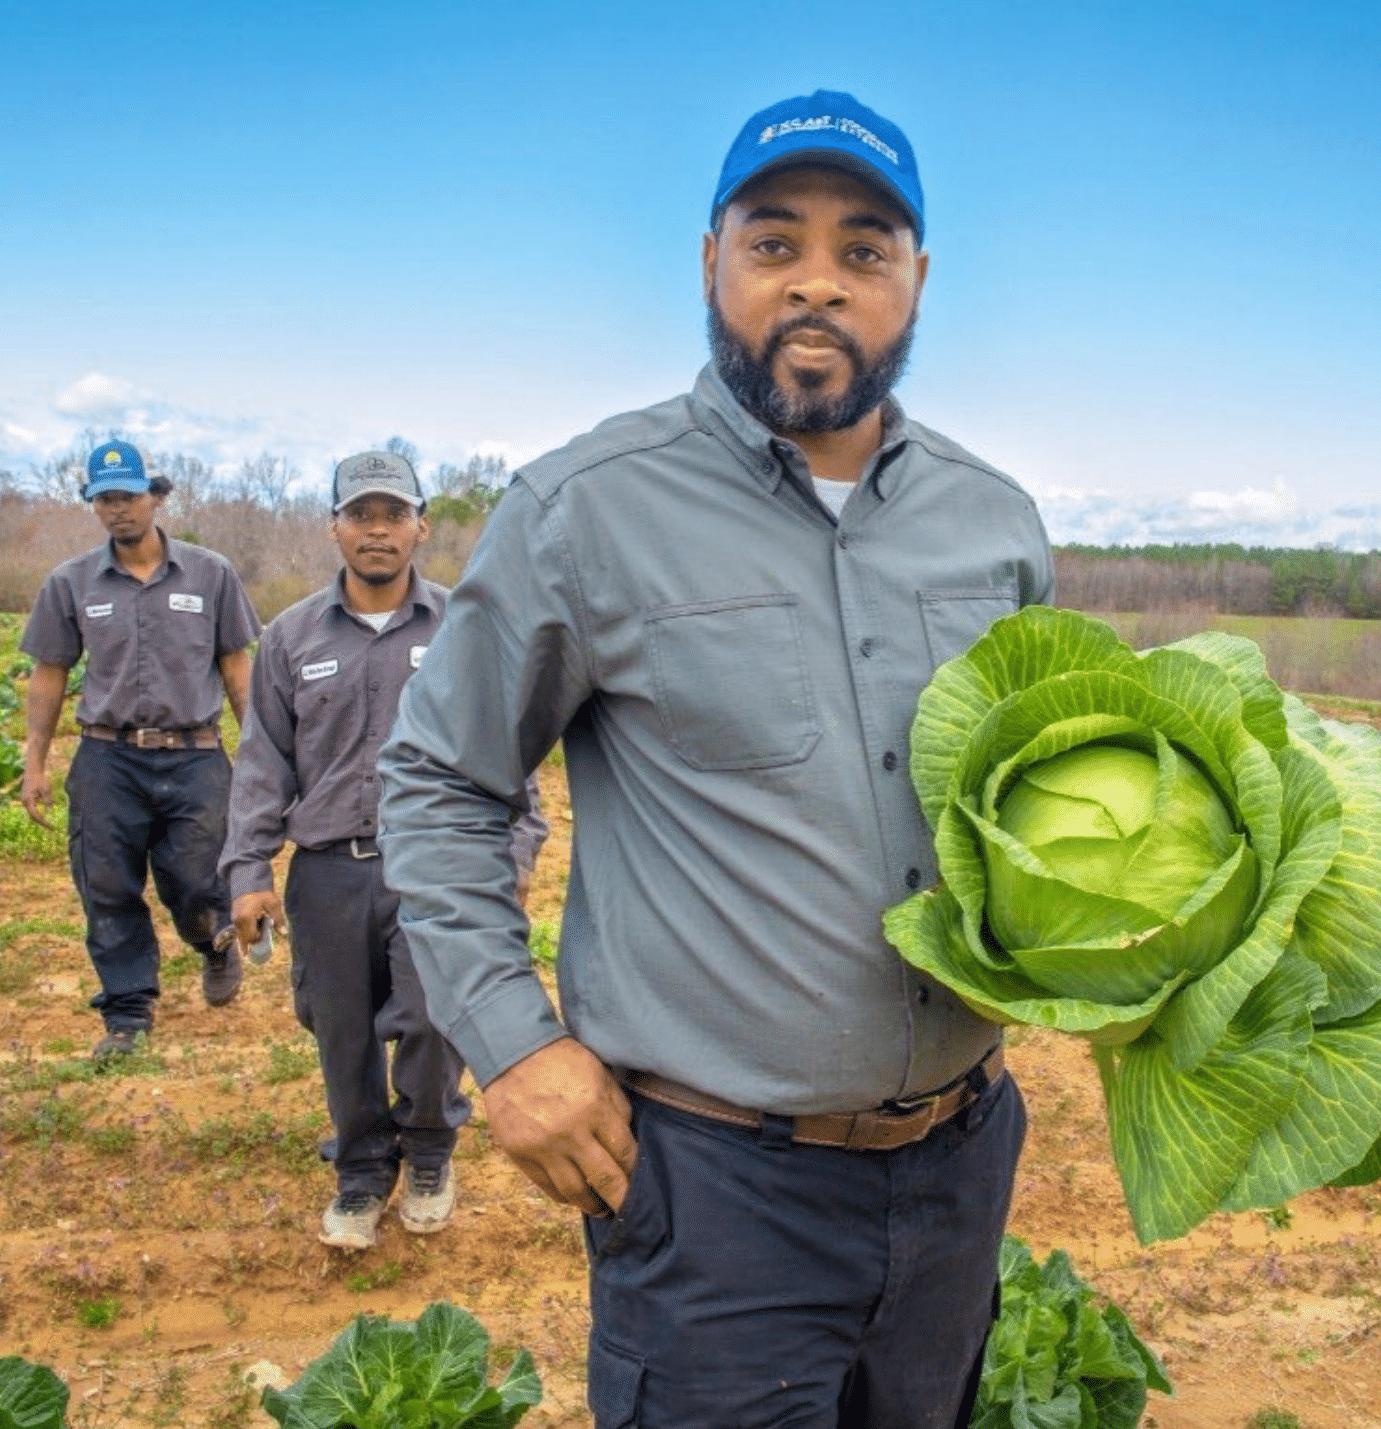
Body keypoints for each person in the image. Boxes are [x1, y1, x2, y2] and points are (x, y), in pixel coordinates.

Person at [378, 91, 1055, 1426]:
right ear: (710, 262)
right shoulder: (585, 508)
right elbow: (440, 783)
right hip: (711, 1192)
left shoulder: (997, 526)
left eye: (864, 249)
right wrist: (510, 1048)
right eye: (772, 242)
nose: (816, 279)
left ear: (916, 283)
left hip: (961, 1163)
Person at [220, 450, 548, 1250]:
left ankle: (431, 1149)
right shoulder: (291, 637)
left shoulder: (465, 629)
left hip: (440, 864)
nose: (377, 529)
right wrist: (249, 869)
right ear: (334, 527)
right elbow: (265, 758)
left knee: (438, 1018)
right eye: (361, 514)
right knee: (342, 1029)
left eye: (393, 514)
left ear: (420, 526)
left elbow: (509, 755)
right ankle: (362, 1169)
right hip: (331, 867)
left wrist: (511, 862)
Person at [20, 438, 261, 1062]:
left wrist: (263, 758)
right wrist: (35, 762)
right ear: (93, 505)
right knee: (107, 886)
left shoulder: (211, 573)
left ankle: (213, 943)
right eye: (104, 499)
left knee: (197, 879)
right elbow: (49, 673)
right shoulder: (70, 582)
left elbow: (237, 667)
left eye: (128, 496)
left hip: (195, 754)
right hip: (108, 758)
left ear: (155, 496)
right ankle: (128, 1014)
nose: (117, 510)